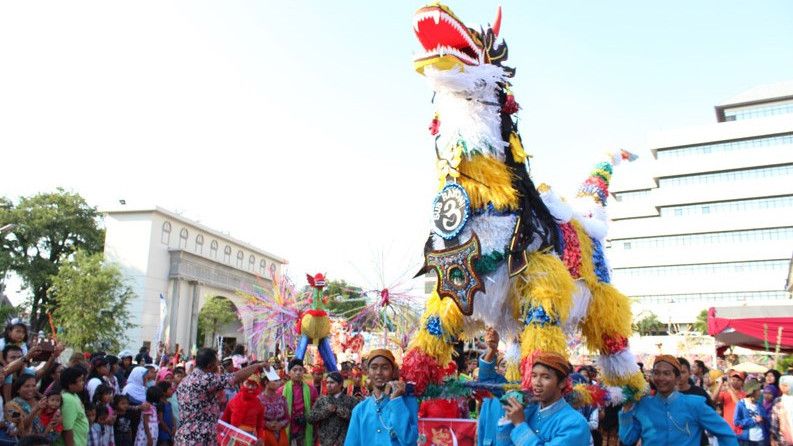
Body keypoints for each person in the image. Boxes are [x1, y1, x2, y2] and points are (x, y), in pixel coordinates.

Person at [619, 355, 738, 446]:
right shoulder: (644, 404)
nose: (660, 378)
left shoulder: (695, 404)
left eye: (666, 373)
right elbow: (628, 439)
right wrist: (626, 408)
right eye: (656, 373)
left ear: (677, 378)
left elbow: (726, 434)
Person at [173, 347, 265, 445]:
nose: (218, 367)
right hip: (200, 438)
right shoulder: (205, 379)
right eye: (217, 364)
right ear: (209, 366)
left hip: (184, 437)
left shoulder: (185, 381)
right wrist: (257, 365)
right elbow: (234, 378)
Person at [497, 351, 590, 445]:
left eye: (546, 377)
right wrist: (509, 418)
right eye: (534, 376)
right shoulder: (528, 412)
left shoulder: (575, 423)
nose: (537, 383)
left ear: (562, 383)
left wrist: (520, 424)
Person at [344, 349, 417, 446]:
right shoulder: (360, 410)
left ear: (394, 371)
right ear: (367, 372)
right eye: (374, 368)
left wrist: (396, 401)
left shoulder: (409, 403)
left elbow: (410, 441)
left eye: (385, 368)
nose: (378, 372)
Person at [306, 371, 358, 446]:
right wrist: (326, 411)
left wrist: (339, 410)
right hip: (324, 442)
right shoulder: (321, 400)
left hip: (343, 442)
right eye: (327, 383)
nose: (328, 385)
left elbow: (356, 419)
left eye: (332, 382)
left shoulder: (351, 400)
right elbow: (310, 418)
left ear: (340, 384)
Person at [476, 327, 508, 446]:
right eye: (504, 365)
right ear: (497, 368)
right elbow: (486, 378)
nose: (507, 368)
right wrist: (491, 350)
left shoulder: (525, 390)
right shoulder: (494, 391)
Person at [279, 359, 318, 446]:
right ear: (289, 373)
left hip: (305, 427)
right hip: (288, 427)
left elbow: (316, 409)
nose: (298, 373)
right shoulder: (281, 390)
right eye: (295, 370)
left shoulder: (311, 389)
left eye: (300, 370)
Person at [220, 374, 265, 440]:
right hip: (233, 438)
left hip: (250, 439)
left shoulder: (259, 404)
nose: (250, 387)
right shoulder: (233, 401)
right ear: (242, 384)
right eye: (248, 384)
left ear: (257, 387)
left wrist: (260, 438)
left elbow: (260, 426)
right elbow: (224, 422)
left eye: (253, 385)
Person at [57, 367, 90, 446]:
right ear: (70, 384)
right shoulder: (68, 399)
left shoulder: (74, 395)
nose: (83, 382)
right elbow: (67, 429)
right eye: (80, 380)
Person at [734, 378, 767, 446]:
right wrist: (754, 420)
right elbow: (737, 422)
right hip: (747, 440)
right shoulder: (741, 404)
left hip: (761, 440)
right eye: (758, 390)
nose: (760, 392)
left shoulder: (760, 405)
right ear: (752, 392)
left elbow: (765, 420)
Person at [260, 369, 289, 446]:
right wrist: (267, 424)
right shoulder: (258, 400)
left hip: (281, 434)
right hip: (264, 435)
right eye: (275, 381)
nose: (279, 383)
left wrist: (281, 424)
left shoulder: (282, 399)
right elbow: (255, 420)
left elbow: (287, 418)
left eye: (278, 380)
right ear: (266, 382)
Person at [770, 375, 793, 446]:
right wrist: (773, 438)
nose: (782, 387)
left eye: (786, 385)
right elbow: (774, 421)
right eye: (781, 385)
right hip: (782, 439)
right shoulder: (778, 401)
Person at [156, 381, 175, 445]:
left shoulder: (168, 403)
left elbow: (172, 416)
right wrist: (168, 430)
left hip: (170, 431)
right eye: (170, 389)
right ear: (163, 392)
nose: (172, 390)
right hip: (163, 432)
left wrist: (174, 427)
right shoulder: (161, 404)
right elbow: (160, 420)